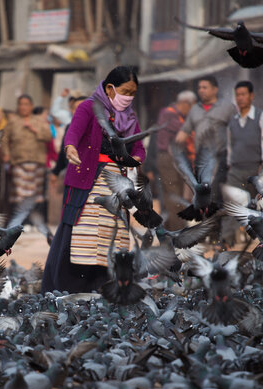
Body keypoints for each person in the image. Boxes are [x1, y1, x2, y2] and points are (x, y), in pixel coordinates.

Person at [41, 66, 146, 295]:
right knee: (81, 234)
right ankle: (71, 287)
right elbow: (73, 133)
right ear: (110, 88)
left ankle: (104, 286)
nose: (129, 97)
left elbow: (138, 147)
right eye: (125, 91)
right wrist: (70, 148)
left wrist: (135, 158)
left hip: (117, 184)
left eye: (133, 93)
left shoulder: (129, 117)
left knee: (112, 234)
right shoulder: (88, 107)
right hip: (88, 180)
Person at [175, 75, 235, 206]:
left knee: (214, 192)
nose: (201, 90)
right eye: (199, 88)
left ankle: (216, 224)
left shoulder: (227, 107)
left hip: (221, 158)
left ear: (215, 89)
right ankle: (213, 223)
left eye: (205, 87)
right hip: (202, 159)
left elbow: (237, 131)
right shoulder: (195, 109)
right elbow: (184, 132)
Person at [146, 90, 196, 230]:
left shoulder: (175, 115)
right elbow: (185, 132)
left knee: (174, 195)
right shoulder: (168, 114)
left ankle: (170, 229)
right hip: (168, 159)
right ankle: (177, 229)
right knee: (173, 196)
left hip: (174, 159)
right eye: (192, 107)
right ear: (186, 104)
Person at [0, 94, 52, 215]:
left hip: (37, 161)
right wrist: (6, 153)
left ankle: (33, 219)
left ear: (31, 106)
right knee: (20, 193)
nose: (23, 107)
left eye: (26, 104)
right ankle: (22, 220)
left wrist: (35, 130)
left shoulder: (39, 120)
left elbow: (49, 136)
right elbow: (4, 139)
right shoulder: (13, 121)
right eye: (21, 104)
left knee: (35, 193)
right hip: (18, 161)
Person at [227, 80, 263, 195]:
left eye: (243, 94)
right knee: (235, 206)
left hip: (255, 170)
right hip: (235, 172)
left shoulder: (262, 117)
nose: (240, 98)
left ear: (251, 96)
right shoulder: (232, 121)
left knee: (255, 207)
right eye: (237, 95)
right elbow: (229, 147)